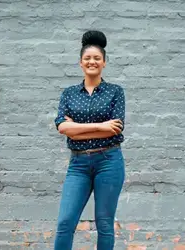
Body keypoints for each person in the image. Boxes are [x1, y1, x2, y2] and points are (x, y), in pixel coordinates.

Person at [53, 30, 126, 250]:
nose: (92, 61)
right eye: (87, 58)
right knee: (65, 222)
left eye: (96, 58)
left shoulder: (115, 92)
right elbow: (62, 127)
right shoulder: (69, 93)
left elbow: (115, 130)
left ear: (104, 62)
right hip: (78, 165)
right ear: (80, 63)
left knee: (104, 224)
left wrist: (76, 129)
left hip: (109, 162)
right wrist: (99, 126)